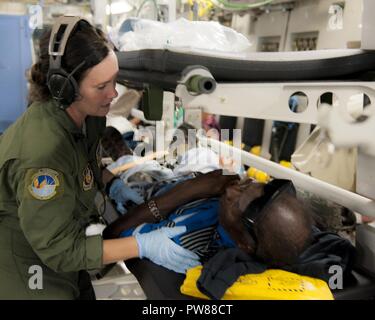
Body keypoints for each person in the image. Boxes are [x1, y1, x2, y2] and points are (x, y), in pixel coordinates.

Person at [0, 16, 206, 300]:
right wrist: (142, 245)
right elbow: (60, 251)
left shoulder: (87, 117)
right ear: (65, 88)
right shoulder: (43, 156)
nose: (113, 94)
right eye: (101, 87)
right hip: (30, 264)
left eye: (115, 80)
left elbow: (83, 161)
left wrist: (111, 183)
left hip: (64, 237)